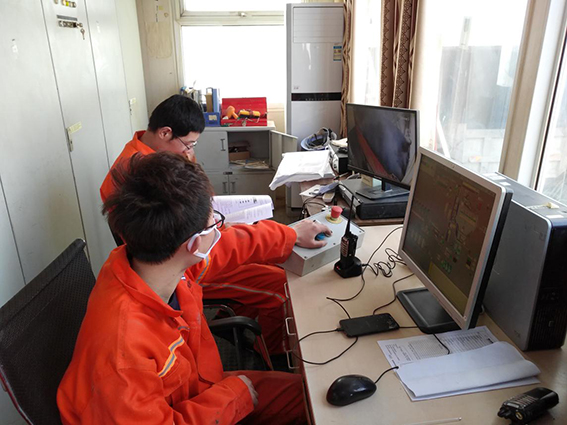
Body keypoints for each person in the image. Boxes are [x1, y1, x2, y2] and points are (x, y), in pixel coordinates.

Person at [59, 152, 331, 424]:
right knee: (318, 406)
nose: (221, 230)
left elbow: (230, 245)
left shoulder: (155, 262)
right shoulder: (123, 357)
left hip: (198, 388)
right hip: (191, 409)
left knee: (313, 397)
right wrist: (234, 397)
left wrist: (291, 234)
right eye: (216, 223)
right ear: (194, 244)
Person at [100, 94, 312, 356]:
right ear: (165, 133)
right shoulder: (141, 174)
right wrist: (287, 234)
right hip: (187, 266)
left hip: (187, 252)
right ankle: (274, 355)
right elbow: (202, 245)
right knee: (279, 284)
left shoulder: (150, 153)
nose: (190, 152)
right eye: (188, 144)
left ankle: (230, 319)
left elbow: (200, 211)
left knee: (269, 259)